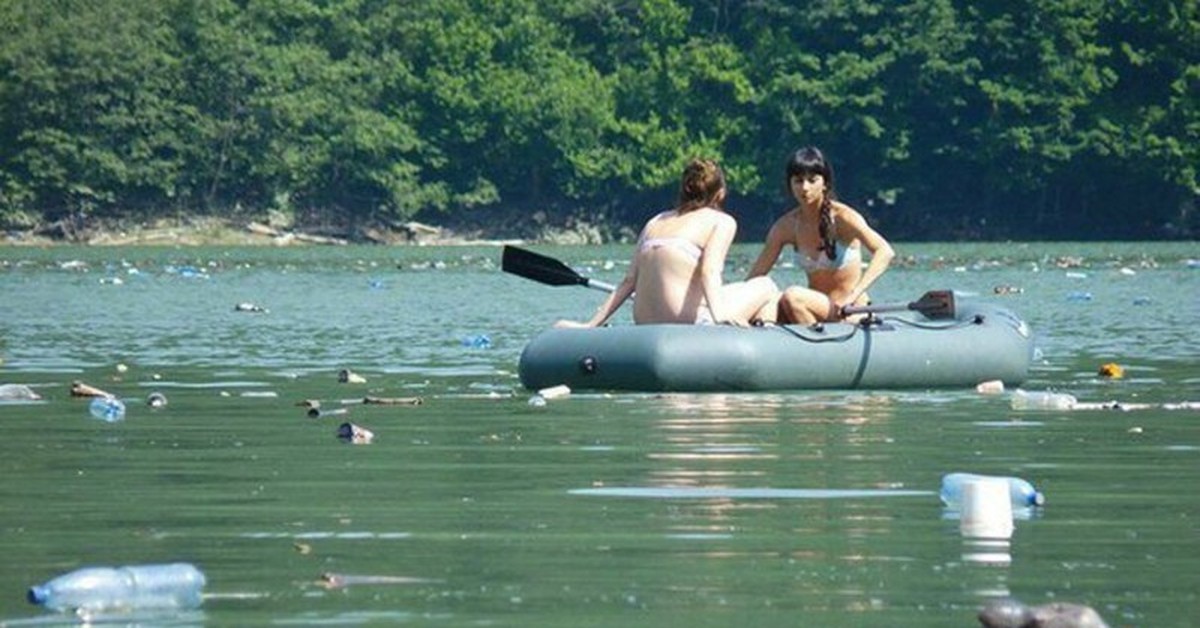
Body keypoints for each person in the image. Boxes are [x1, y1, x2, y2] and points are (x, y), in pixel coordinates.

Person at [555, 158, 778, 328]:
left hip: (645, 322)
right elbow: (709, 272)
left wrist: (591, 324)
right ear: (720, 194)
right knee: (766, 285)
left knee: (736, 288)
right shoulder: (721, 221)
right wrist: (720, 316)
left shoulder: (655, 221)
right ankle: (766, 335)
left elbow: (628, 282)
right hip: (686, 321)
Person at [747, 147, 894, 324]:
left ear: (825, 183)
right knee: (770, 301)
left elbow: (884, 252)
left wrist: (854, 295)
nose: (805, 188)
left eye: (812, 180)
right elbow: (756, 277)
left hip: (850, 311)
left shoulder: (843, 217)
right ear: (790, 185)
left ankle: (817, 337)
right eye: (798, 181)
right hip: (815, 310)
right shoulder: (785, 226)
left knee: (793, 296)